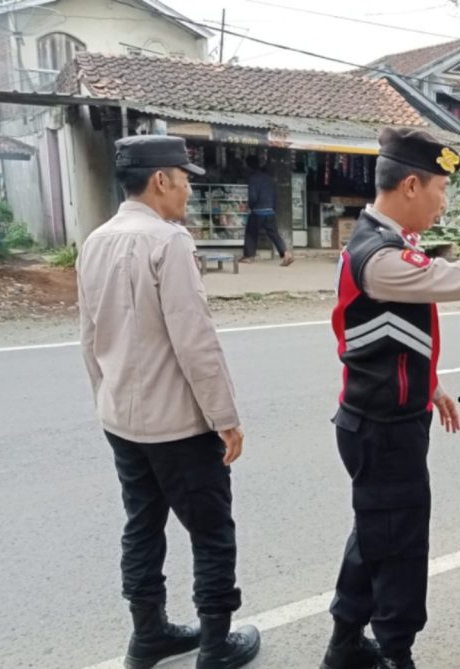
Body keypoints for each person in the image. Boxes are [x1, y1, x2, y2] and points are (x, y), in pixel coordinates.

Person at [320, 127, 460, 669]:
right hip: (383, 430)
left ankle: (345, 644)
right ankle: (395, 654)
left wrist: (428, 382)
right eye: (442, 189)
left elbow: (382, 334)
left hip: (382, 419)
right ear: (411, 186)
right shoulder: (380, 256)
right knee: (399, 548)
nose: (444, 202)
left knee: (375, 532)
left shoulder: (383, 241)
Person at [77, 135, 261, 669]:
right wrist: (226, 419)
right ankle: (217, 644)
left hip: (122, 420)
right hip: (179, 425)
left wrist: (105, 399)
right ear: (161, 180)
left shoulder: (96, 240)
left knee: (142, 523)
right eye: (183, 177)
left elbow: (89, 336)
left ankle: (148, 633)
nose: (186, 188)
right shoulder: (169, 242)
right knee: (211, 531)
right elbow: (196, 341)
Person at [241, 154, 293, 266]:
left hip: (258, 211)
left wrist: (251, 206)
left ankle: (249, 256)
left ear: (249, 166)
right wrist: (272, 207)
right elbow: (275, 195)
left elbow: (253, 196)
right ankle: (286, 253)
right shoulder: (269, 178)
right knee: (274, 234)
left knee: (251, 233)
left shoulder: (253, 178)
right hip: (270, 211)